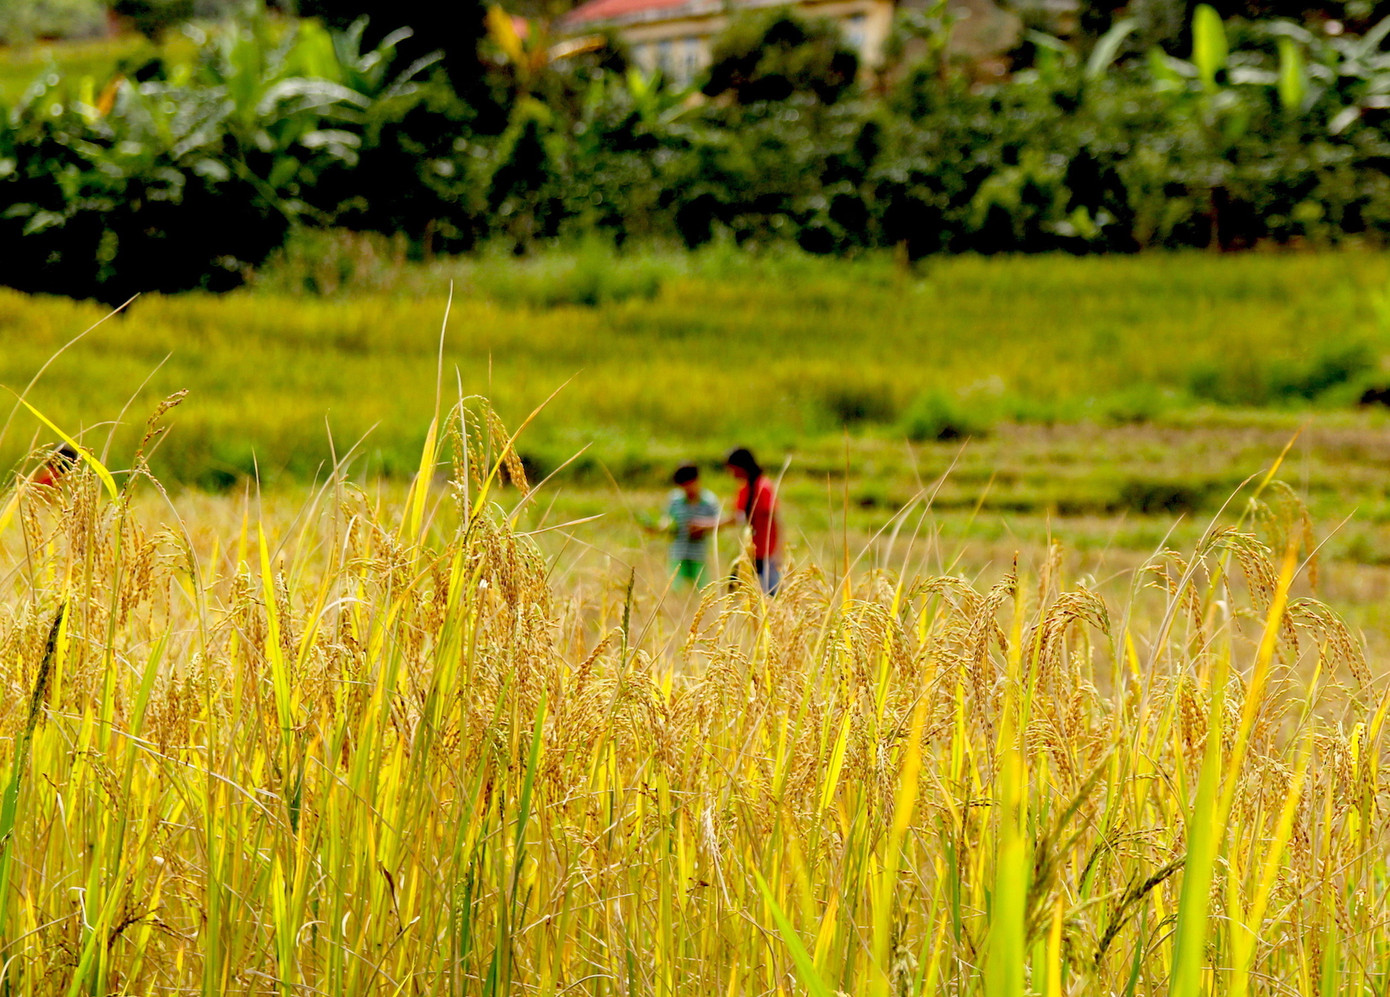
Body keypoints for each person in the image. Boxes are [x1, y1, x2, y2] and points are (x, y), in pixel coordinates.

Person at [722, 447, 782, 595]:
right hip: (749, 551)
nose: (732, 473)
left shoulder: (763, 487)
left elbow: (776, 521)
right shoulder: (745, 488)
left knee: (771, 593)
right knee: (736, 591)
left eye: (733, 469)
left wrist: (778, 551)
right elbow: (737, 517)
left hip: (766, 551)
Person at [650, 463, 721, 587]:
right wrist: (660, 528)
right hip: (678, 552)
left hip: (698, 554)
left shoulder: (709, 501)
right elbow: (666, 519)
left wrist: (703, 527)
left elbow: (720, 522)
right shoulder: (675, 499)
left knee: (701, 591)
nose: (686, 489)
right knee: (676, 589)